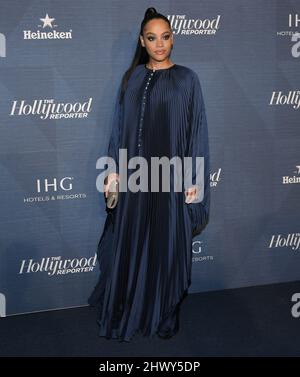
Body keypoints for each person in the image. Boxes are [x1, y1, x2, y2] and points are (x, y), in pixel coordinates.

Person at [88, 7, 210, 342]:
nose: (160, 44)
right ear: (142, 41)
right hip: (136, 181)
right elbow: (118, 131)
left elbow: (196, 134)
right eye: (152, 38)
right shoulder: (132, 79)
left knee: (168, 247)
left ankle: (165, 312)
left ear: (173, 39)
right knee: (133, 247)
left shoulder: (187, 79)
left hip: (170, 181)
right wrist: (113, 172)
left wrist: (194, 184)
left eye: (166, 37)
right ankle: (133, 308)